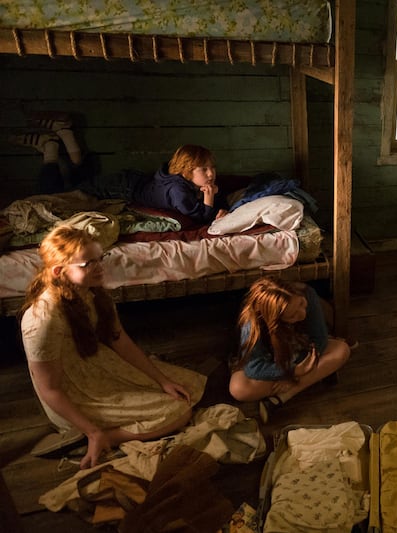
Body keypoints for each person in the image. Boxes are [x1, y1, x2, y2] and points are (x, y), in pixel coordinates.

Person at [20, 225, 207, 469]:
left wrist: (162, 380)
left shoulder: (92, 292)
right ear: (58, 271)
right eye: (88, 263)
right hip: (74, 392)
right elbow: (50, 389)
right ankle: (107, 437)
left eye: (100, 258)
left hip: (96, 364)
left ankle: (113, 424)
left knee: (187, 387)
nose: (99, 267)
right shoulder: (42, 320)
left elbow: (119, 339)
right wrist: (92, 431)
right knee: (179, 412)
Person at [10, 111, 228, 224]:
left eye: (212, 167)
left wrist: (212, 195)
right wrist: (210, 197)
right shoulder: (177, 189)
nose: (211, 173)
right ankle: (54, 145)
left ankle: (58, 140)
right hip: (121, 187)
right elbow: (201, 217)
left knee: (77, 184)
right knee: (55, 196)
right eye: (204, 169)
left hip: (130, 182)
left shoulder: (178, 181)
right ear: (185, 171)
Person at [228, 278, 350, 423]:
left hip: (299, 349)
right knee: (238, 389)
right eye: (292, 316)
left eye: (301, 304)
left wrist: (295, 375)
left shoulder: (307, 294)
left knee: (342, 350)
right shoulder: (251, 322)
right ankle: (313, 376)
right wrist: (291, 372)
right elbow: (254, 367)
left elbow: (319, 340)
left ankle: (283, 396)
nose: (302, 314)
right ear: (275, 320)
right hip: (272, 360)